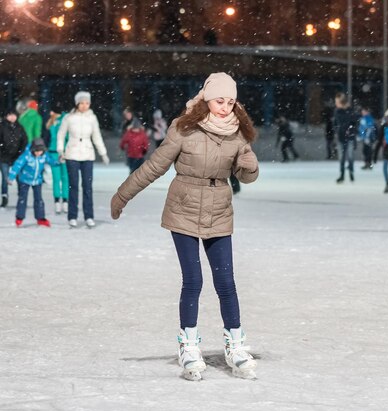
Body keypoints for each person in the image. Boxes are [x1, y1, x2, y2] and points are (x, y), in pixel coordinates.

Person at [109, 72, 260, 381]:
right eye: (220, 100)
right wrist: (123, 195)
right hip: (184, 209)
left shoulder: (237, 133)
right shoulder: (184, 128)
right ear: (207, 99)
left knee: (226, 282)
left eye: (230, 102)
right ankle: (189, 346)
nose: (225, 107)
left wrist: (250, 167)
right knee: (193, 280)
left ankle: (236, 345)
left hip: (219, 210)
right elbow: (154, 166)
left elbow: (246, 176)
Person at [56, 91, 110, 228]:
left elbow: (97, 136)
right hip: (72, 154)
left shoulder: (92, 118)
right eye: (82, 103)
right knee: (73, 186)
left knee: (87, 187)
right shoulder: (69, 118)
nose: (84, 105)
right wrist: (60, 150)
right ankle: (72, 216)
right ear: (77, 103)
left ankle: (89, 216)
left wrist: (103, 153)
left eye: (87, 103)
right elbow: (61, 135)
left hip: (87, 154)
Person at [8, 138, 62, 227]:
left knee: (39, 200)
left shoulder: (44, 155)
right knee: (22, 199)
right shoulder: (26, 155)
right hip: (24, 180)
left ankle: (40, 218)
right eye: (36, 151)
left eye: (40, 151)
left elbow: (51, 161)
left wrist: (58, 162)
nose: (38, 153)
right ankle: (19, 217)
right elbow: (17, 165)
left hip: (37, 180)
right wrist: (11, 176)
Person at [0, 110, 28, 208]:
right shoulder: (2, 126)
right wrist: (2, 150)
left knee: (19, 177)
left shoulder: (20, 127)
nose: (12, 117)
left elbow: (24, 140)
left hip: (17, 156)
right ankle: (4, 196)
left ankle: (21, 197)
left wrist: (20, 152)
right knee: (5, 178)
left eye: (14, 115)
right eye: (10, 115)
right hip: (4, 156)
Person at [46, 110, 70, 214]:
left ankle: (65, 201)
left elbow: (68, 137)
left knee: (65, 178)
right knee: (57, 178)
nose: (50, 113)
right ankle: (57, 202)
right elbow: (47, 138)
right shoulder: (51, 122)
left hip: (65, 153)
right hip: (53, 153)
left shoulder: (65, 121)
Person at [333, 92, 359, 183]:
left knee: (350, 156)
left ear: (341, 101)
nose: (335, 103)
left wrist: (352, 131)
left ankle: (351, 173)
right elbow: (336, 123)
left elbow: (354, 122)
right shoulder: (337, 111)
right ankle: (342, 175)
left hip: (350, 137)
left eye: (337, 101)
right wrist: (337, 131)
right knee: (341, 158)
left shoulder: (349, 110)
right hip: (341, 137)